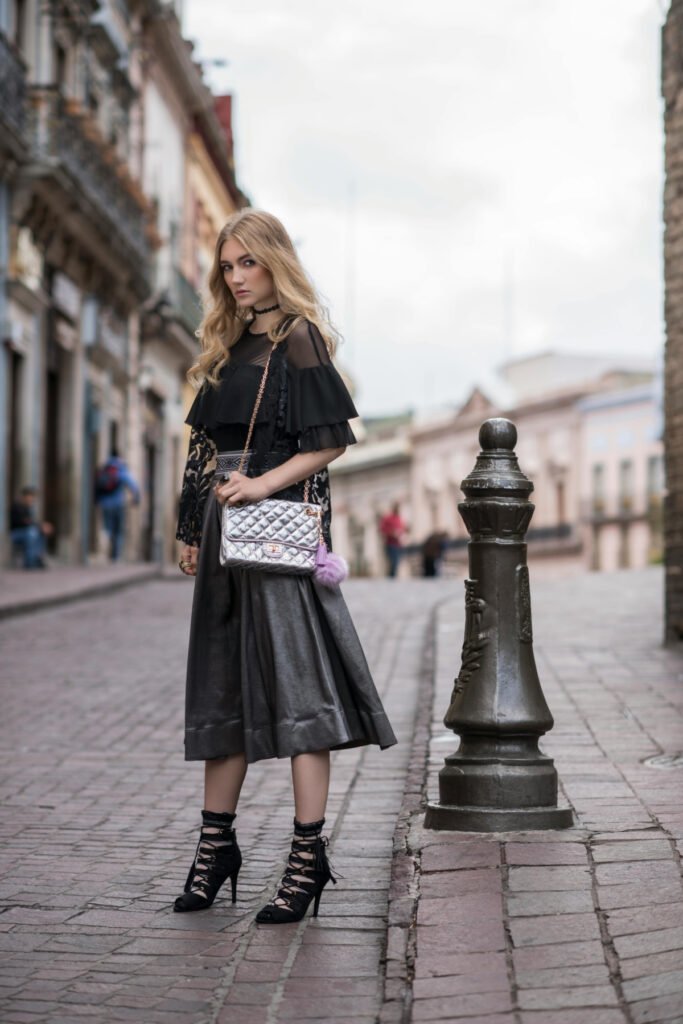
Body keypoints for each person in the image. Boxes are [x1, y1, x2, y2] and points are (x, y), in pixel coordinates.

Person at [174, 209, 397, 924]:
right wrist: (187, 526)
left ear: (275, 262)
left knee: (301, 693)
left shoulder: (296, 339)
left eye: (248, 262)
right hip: (220, 530)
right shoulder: (227, 346)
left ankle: (307, 857)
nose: (236, 277)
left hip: (271, 527)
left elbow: (331, 440)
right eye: (227, 265)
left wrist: (261, 485)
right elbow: (203, 450)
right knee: (222, 691)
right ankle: (216, 849)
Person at [94, 449, 140, 561]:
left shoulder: (105, 467)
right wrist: (136, 498)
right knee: (118, 531)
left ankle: (103, 552)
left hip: (105, 503)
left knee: (107, 528)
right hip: (118, 503)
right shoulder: (120, 468)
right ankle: (116, 557)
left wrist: (97, 500)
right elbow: (132, 484)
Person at [10, 486, 53, 568]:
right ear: (24, 497)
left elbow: (31, 522)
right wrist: (36, 526)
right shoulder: (16, 507)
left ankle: (38, 558)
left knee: (40, 534)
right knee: (32, 533)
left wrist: (42, 527)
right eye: (30, 497)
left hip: (26, 532)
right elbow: (23, 522)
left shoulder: (29, 508)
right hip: (15, 533)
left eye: (32, 498)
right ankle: (29, 562)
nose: (31, 500)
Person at [379, 502, 406, 578]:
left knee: (398, 562)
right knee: (393, 561)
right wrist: (391, 533)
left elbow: (402, 529)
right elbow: (382, 529)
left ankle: (393, 576)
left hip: (399, 543)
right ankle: (391, 577)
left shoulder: (399, 518)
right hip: (390, 543)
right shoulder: (388, 518)